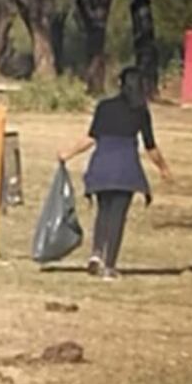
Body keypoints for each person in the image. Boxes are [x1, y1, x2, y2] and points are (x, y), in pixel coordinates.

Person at [58, 67, 173, 280]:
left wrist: (67, 154)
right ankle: (109, 266)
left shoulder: (104, 107)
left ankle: (96, 254)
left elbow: (91, 138)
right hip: (125, 168)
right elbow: (151, 147)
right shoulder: (141, 112)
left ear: (121, 84)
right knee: (117, 217)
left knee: (103, 211)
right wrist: (163, 168)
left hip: (101, 164)